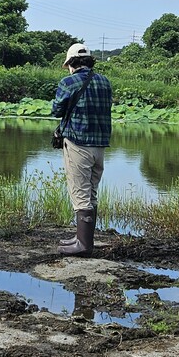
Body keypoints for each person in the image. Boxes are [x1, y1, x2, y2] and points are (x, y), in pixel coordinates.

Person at [51, 43, 113, 256]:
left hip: (78, 143)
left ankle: (83, 246)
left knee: (80, 192)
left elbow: (56, 110)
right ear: (89, 61)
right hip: (100, 145)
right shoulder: (105, 81)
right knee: (91, 191)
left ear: (71, 63)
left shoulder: (68, 82)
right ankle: (83, 238)